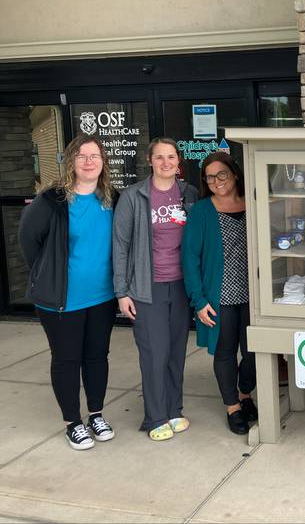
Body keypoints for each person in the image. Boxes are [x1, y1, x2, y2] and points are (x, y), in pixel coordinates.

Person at [19, 133, 118, 450]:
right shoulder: (52, 201)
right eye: (82, 156)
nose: (89, 162)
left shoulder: (112, 199)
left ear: (103, 163)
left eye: (95, 156)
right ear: (70, 161)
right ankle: (73, 422)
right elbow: (28, 242)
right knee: (66, 359)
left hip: (102, 297)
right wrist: (49, 274)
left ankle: (96, 414)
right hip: (62, 300)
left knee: (96, 357)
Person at [113, 138, 199, 442]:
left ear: (178, 162)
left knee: (176, 351)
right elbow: (120, 246)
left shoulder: (189, 194)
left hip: (180, 286)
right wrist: (122, 292)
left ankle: (175, 409)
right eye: (159, 157)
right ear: (150, 161)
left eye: (171, 157)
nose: (166, 163)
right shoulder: (133, 196)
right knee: (154, 353)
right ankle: (156, 416)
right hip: (146, 287)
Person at [182, 152, 257, 435]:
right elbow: (190, 259)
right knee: (225, 351)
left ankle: (245, 393)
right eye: (210, 177)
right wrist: (199, 301)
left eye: (221, 174)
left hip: (255, 294)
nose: (216, 181)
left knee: (253, 351)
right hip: (219, 295)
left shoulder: (253, 203)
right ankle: (233, 407)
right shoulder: (202, 210)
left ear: (235, 174)